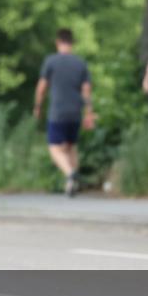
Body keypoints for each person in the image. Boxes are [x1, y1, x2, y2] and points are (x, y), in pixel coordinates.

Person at [33, 29, 94, 197]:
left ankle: (69, 173)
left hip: (57, 111)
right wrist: (89, 112)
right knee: (71, 146)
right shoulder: (80, 63)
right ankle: (72, 184)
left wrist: (38, 106)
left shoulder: (51, 61)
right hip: (75, 111)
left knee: (54, 148)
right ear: (72, 43)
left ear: (57, 42)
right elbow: (86, 89)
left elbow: (42, 87)